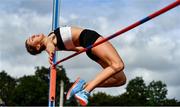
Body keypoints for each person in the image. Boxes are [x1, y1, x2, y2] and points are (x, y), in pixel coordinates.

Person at [25, 26, 126, 106]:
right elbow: (50, 46)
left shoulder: (54, 41)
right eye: (32, 39)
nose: (34, 35)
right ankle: (86, 91)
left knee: (120, 80)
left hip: (88, 47)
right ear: (38, 46)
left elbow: (78, 49)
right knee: (118, 64)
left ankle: (83, 86)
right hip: (90, 38)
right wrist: (51, 53)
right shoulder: (49, 42)